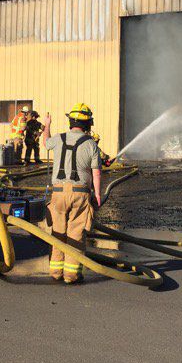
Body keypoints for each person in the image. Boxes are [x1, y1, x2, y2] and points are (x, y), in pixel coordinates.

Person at [42, 104, 103, 284]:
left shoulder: (59, 138)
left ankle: (55, 272)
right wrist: (97, 195)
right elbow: (96, 172)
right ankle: (71, 275)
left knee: (58, 232)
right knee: (76, 233)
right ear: (88, 124)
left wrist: (47, 124)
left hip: (58, 193)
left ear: (71, 122)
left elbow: (45, 142)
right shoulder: (91, 144)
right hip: (80, 193)